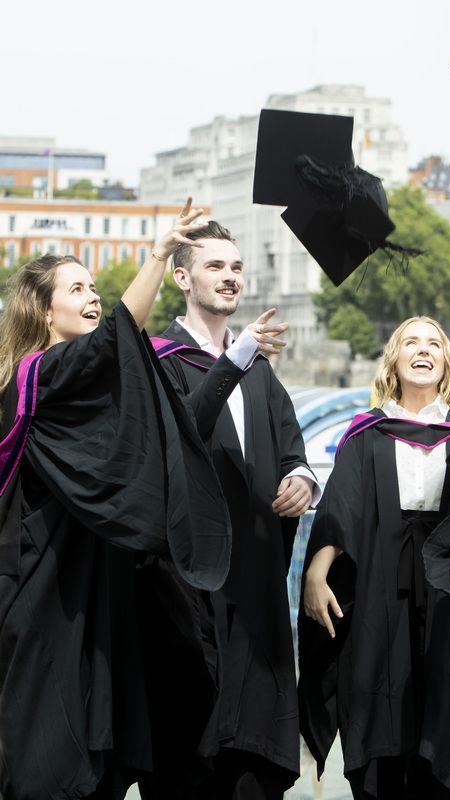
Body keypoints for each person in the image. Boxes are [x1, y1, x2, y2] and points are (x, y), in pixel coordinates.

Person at [0, 200, 274, 800]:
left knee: (105, 745)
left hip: (99, 584)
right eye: (78, 289)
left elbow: (168, 424)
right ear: (45, 310)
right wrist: (156, 256)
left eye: (94, 286)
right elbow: (113, 341)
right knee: (48, 749)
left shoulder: (92, 381)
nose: (92, 296)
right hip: (46, 587)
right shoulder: (35, 378)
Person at [298, 316, 450, 800]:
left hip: (447, 584)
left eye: (434, 343)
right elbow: (341, 505)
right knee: (378, 689)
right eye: (411, 342)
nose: (423, 349)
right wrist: (316, 569)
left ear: (445, 362)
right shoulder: (367, 431)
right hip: (381, 581)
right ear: (394, 358)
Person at [156, 220, 320, 799]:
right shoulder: (162, 362)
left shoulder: (259, 370)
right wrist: (240, 352)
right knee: (193, 747)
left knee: (253, 756)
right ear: (181, 277)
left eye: (236, 267)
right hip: (193, 584)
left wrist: (300, 479)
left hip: (254, 582)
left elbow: (291, 447)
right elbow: (183, 437)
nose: (230, 277)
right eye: (214, 267)